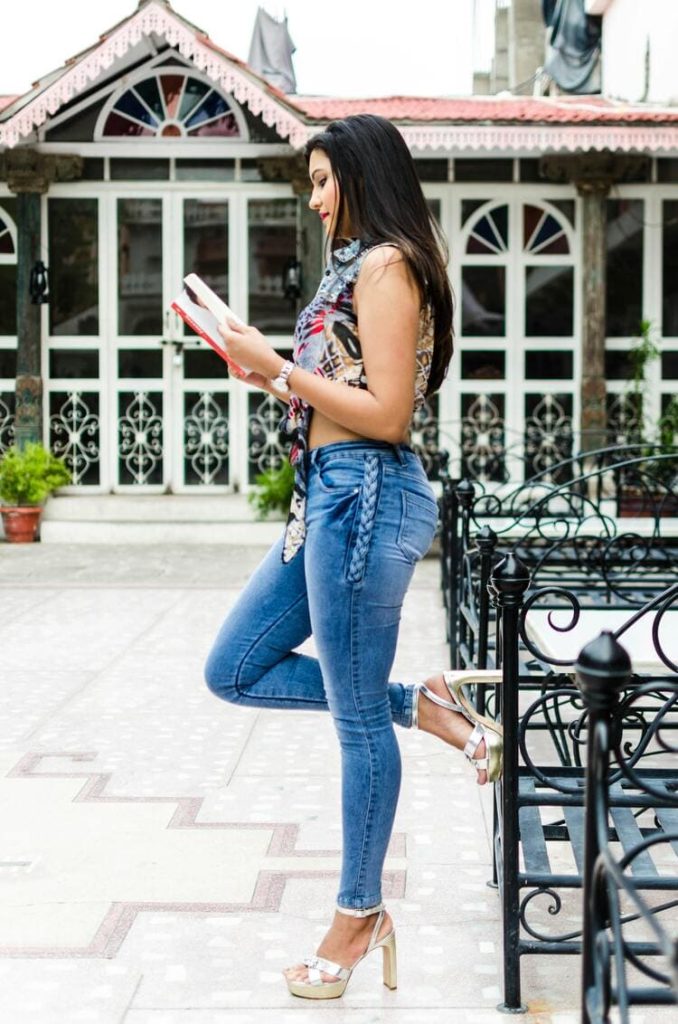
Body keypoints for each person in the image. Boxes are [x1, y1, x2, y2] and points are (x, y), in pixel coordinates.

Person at [204, 113, 502, 1000]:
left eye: (327, 179)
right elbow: (345, 389)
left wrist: (281, 370)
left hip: (365, 491)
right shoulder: (354, 268)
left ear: (366, 179)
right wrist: (259, 365)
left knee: (355, 725)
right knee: (234, 667)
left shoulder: (387, 267)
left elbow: (389, 416)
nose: (316, 195)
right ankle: (425, 700)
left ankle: (358, 915)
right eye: (312, 180)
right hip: (327, 496)